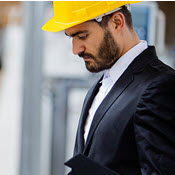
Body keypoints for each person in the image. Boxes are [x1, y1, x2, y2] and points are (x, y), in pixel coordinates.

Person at [42, 1, 175, 175]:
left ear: (117, 22)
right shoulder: (98, 89)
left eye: (82, 36)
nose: (76, 49)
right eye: (71, 37)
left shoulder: (159, 86)